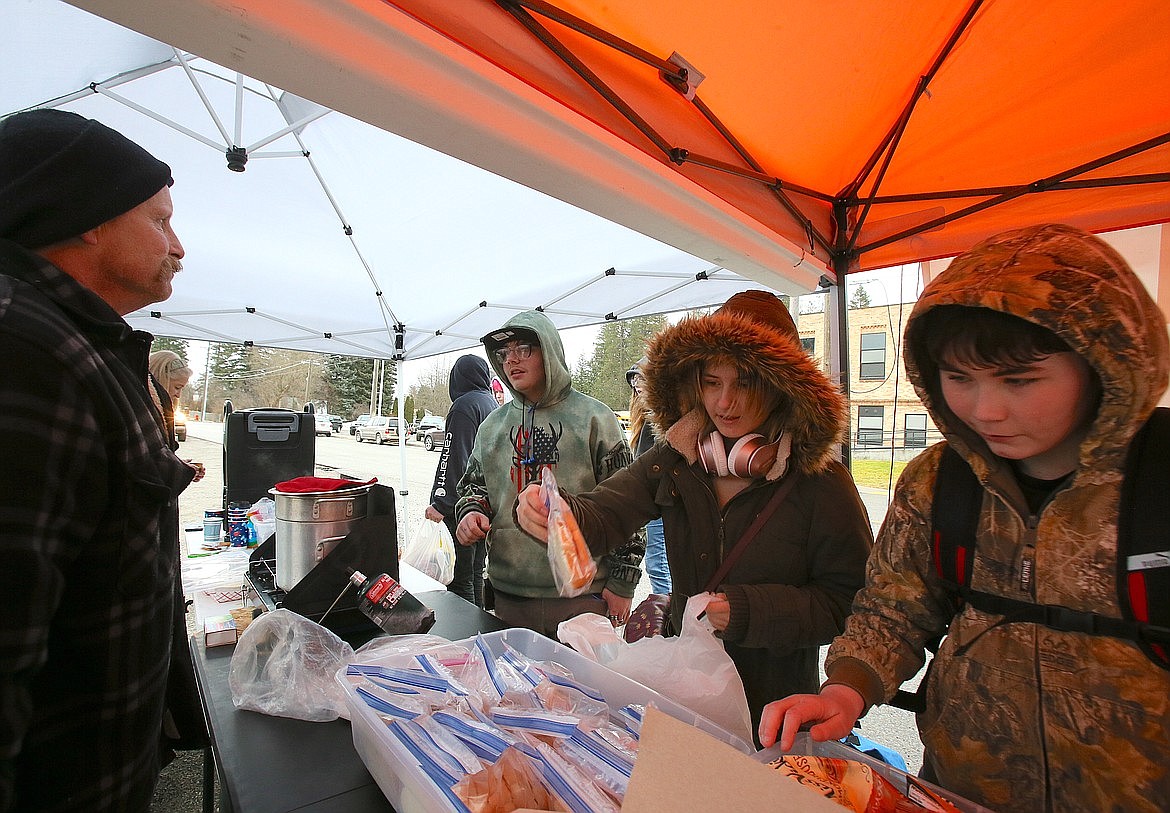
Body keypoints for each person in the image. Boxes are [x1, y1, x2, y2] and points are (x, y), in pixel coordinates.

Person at [758, 224, 1170, 813]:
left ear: (1100, 362)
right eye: (959, 380)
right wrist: (847, 690)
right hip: (961, 793)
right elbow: (893, 610)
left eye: (1019, 380)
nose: (986, 410)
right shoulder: (938, 481)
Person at [516, 290, 873, 738]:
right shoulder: (676, 458)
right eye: (711, 382)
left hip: (775, 713)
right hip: (685, 696)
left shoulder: (822, 484)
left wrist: (745, 611)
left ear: (781, 385)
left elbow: (851, 604)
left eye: (745, 382)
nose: (725, 403)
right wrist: (555, 511)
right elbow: (605, 512)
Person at [0, 108, 195, 812]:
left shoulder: (75, 343)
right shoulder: (25, 350)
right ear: (88, 216)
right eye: (160, 219)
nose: (179, 247)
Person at [455, 310, 644, 636]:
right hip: (509, 596)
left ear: (550, 350)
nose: (511, 360)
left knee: (579, 687)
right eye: (503, 353)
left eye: (524, 349)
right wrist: (471, 512)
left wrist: (623, 582)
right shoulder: (492, 428)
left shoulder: (594, 419)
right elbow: (474, 488)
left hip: (582, 595)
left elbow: (628, 506)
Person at [424, 354, 498, 607]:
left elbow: (455, 456)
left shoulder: (464, 406)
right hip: (486, 505)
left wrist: (441, 503)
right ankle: (477, 630)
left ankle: (463, 636)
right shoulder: (491, 404)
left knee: (459, 578)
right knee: (476, 572)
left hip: (463, 506)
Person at [626, 357, 670, 595]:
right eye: (634, 381)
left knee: (659, 564)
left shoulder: (661, 421)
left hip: (660, 502)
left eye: (642, 379)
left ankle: (665, 616)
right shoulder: (645, 421)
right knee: (660, 563)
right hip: (653, 502)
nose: (637, 386)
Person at [148, 348, 205, 482]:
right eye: (177, 387)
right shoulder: (146, 411)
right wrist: (181, 469)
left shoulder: (156, 409)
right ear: (161, 378)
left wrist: (182, 467)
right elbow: (148, 461)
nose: (178, 395)